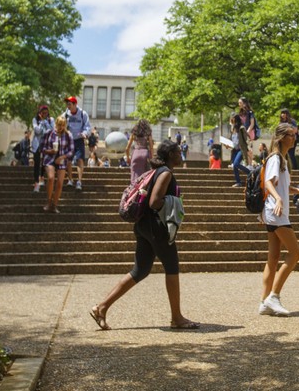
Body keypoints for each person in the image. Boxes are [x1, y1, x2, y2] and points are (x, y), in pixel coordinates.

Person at [90, 140, 200, 331]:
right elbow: (155, 201)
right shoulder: (165, 173)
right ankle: (177, 318)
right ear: (170, 155)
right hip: (156, 227)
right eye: (177, 151)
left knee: (140, 271)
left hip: (143, 226)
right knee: (172, 267)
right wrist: (174, 204)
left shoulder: (155, 171)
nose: (181, 154)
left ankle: (101, 307)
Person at [258, 122, 299, 316]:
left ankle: (265, 302)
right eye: (291, 135)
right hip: (276, 213)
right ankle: (274, 296)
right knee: (296, 253)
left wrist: (297, 190)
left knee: (272, 259)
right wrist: (279, 197)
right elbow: (268, 183)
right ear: (282, 138)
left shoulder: (281, 158)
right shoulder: (276, 158)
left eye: (295, 134)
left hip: (273, 213)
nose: (294, 137)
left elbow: (280, 184)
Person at [41, 116, 74, 213]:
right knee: (51, 178)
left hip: (61, 160)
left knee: (59, 183)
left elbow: (71, 151)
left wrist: (62, 157)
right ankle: (49, 201)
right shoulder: (49, 133)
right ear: (56, 124)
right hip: (49, 159)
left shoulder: (68, 135)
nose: (61, 127)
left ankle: (54, 205)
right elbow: (41, 148)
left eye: (63, 125)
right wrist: (49, 151)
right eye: (59, 125)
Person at [62, 95, 92, 191]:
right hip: (69, 140)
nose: (68, 106)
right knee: (68, 161)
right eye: (67, 104)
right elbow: (60, 125)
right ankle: (70, 180)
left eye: (70, 104)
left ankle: (79, 181)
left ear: (75, 104)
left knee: (80, 160)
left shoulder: (83, 114)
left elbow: (87, 127)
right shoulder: (65, 115)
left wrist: (85, 133)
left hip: (79, 140)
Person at [125, 119, 155, 184]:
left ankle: (134, 191)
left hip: (135, 154)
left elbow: (127, 148)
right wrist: (152, 158)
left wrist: (128, 158)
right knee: (145, 177)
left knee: (134, 176)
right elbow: (151, 147)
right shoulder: (148, 133)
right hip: (145, 154)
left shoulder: (134, 133)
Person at [31, 105, 53, 192]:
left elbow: (51, 130)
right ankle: (36, 183)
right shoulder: (35, 120)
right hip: (37, 144)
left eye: (46, 113)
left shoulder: (50, 120)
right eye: (43, 113)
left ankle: (42, 177)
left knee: (44, 162)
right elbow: (37, 131)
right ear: (39, 113)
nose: (45, 114)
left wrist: (45, 121)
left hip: (46, 144)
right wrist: (42, 122)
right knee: (37, 163)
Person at [229, 114, 252, 188]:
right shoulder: (232, 130)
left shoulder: (241, 128)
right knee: (235, 166)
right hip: (234, 150)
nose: (231, 121)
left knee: (236, 164)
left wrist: (248, 148)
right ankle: (238, 182)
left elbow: (247, 138)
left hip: (241, 150)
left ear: (236, 119)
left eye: (233, 119)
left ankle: (250, 173)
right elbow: (233, 142)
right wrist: (228, 145)